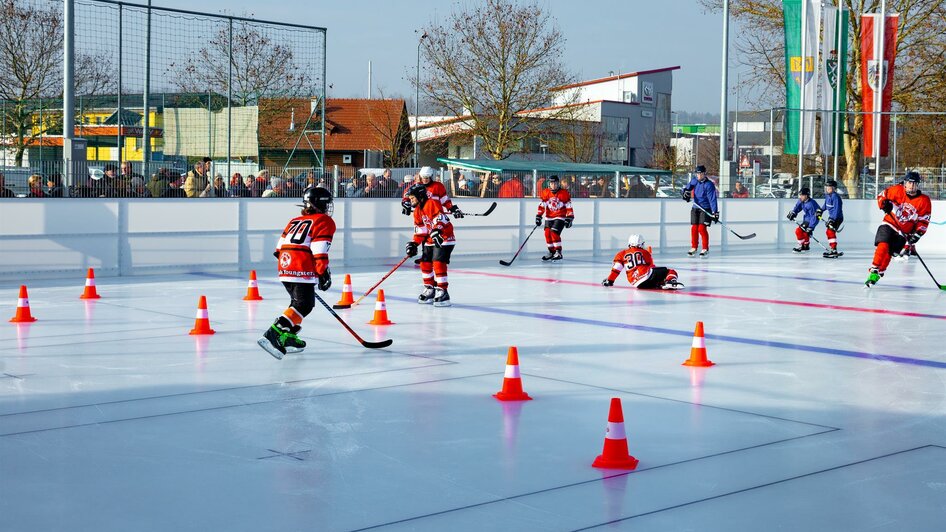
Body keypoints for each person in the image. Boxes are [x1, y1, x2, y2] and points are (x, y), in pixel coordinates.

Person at [257, 186, 336, 359]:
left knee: (298, 303)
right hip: (301, 265)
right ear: (321, 204)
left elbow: (278, 249)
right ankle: (274, 332)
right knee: (304, 305)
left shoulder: (294, 220)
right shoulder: (324, 221)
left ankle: (289, 336)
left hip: (285, 265)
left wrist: (290, 267)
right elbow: (319, 249)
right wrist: (322, 272)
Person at [865, 171, 932, 288]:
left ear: (918, 185)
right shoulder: (897, 190)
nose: (911, 186)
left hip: (904, 231)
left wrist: (917, 234)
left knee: (890, 253)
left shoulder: (924, 201)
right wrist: (884, 204)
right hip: (890, 223)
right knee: (883, 244)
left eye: (914, 183)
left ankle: (880, 272)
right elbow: (881, 196)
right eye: (909, 183)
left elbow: (924, 221)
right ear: (905, 183)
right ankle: (874, 269)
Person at [404, 183, 455, 307]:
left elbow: (441, 219)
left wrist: (437, 229)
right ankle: (430, 289)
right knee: (425, 262)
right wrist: (414, 244)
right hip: (430, 240)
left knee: (438, 263)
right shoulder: (417, 211)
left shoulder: (432, 203)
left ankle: (442, 291)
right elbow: (421, 231)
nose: (410, 201)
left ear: (420, 196)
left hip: (444, 238)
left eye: (412, 198)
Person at [602, 234, 684, 290]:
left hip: (635, 282)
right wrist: (649, 255)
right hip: (645, 274)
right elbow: (652, 267)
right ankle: (670, 281)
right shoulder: (644, 252)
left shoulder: (621, 253)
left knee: (654, 276)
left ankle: (662, 283)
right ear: (640, 244)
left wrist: (610, 280)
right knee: (670, 271)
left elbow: (616, 269)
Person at [681, 165, 719, 257]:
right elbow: (685, 189)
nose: (699, 175)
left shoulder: (709, 185)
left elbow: (712, 199)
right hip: (695, 207)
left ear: (704, 174)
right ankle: (694, 247)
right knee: (694, 228)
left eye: (700, 174)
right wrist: (684, 193)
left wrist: (715, 212)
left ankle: (705, 248)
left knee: (701, 228)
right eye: (697, 174)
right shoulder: (694, 181)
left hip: (706, 209)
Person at [535, 175, 574, 261]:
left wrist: (570, 217)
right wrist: (538, 216)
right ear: (549, 184)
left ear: (558, 183)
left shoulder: (564, 193)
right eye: (551, 183)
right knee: (547, 234)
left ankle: (558, 252)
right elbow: (542, 205)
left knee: (554, 232)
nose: (553, 185)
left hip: (560, 216)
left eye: (555, 183)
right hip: (549, 217)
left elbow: (569, 205)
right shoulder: (545, 192)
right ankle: (551, 252)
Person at [786, 187, 819, 253]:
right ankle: (806, 245)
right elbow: (797, 207)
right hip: (806, 218)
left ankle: (800, 245)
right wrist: (793, 213)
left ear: (806, 196)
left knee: (798, 231)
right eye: (800, 195)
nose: (800, 196)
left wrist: (811, 227)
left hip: (811, 220)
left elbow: (815, 217)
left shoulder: (811, 204)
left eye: (802, 195)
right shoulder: (801, 200)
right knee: (805, 232)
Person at [819, 179, 844, 258]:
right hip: (832, 217)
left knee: (830, 232)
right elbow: (826, 205)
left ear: (834, 188)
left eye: (829, 187)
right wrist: (820, 210)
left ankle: (834, 250)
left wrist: (832, 220)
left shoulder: (836, 197)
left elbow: (837, 210)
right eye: (826, 187)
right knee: (829, 232)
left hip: (837, 217)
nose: (827, 189)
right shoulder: (827, 196)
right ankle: (833, 249)